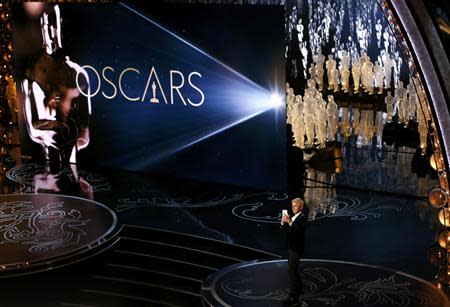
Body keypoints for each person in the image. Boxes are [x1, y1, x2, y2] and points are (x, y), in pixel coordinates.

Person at [20, 4, 91, 165]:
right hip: (44, 170)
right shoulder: (30, 77)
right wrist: (60, 129)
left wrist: (62, 132)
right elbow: (32, 130)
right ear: (41, 29)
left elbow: (84, 134)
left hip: (70, 165)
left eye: (56, 26)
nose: (52, 33)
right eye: (47, 26)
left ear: (62, 28)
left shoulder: (78, 74)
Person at [281, 198, 308, 305]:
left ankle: (293, 296)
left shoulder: (303, 217)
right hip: (291, 246)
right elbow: (288, 230)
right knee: (294, 270)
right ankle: (300, 289)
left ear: (301, 207)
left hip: (296, 248)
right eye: (292, 206)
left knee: (291, 271)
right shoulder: (294, 217)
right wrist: (283, 223)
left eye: (295, 206)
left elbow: (298, 229)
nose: (293, 208)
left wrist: (290, 222)